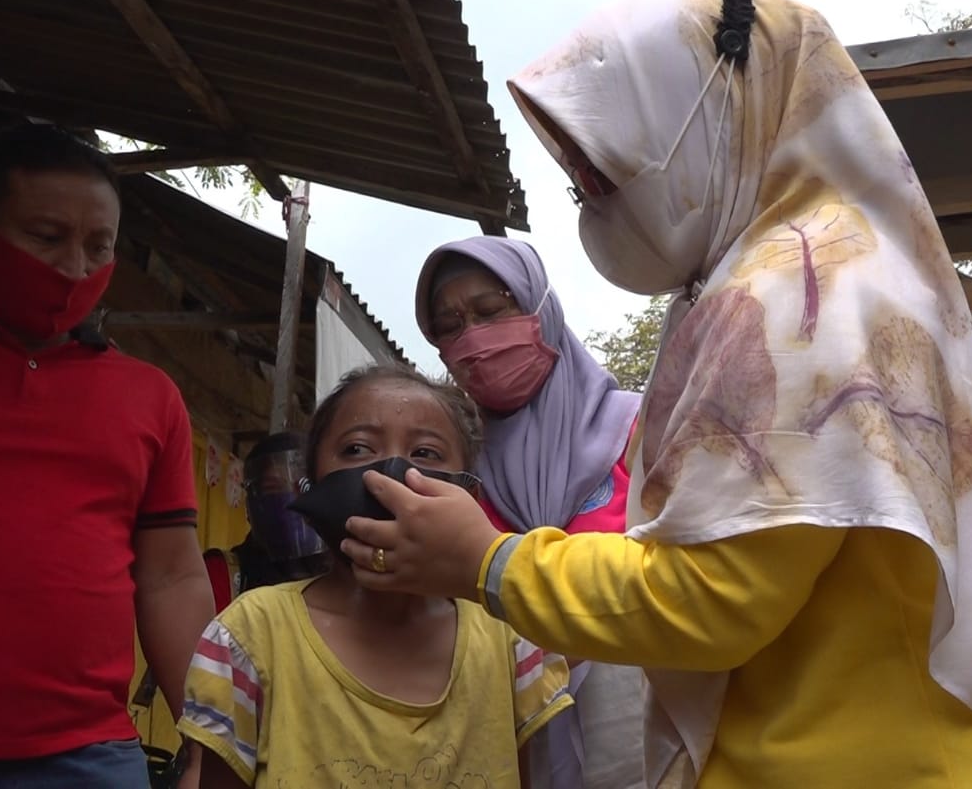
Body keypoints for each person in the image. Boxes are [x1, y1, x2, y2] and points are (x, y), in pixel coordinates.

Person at [339, 0, 972, 788]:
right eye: (581, 184)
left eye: (604, 175)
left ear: (695, 124)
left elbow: (710, 599)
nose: (592, 207)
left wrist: (488, 560)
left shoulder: (800, 292)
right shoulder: (822, 269)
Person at [0, 123, 214, 787]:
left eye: (98, 246)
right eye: (47, 237)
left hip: (87, 757)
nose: (75, 268)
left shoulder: (150, 396)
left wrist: (206, 740)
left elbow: (171, 577)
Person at [178, 364, 573, 789]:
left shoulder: (510, 641)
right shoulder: (250, 637)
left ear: (468, 494)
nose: (391, 470)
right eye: (357, 448)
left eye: (425, 453)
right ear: (309, 486)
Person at [415, 237, 645, 789]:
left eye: (491, 310)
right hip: (511, 743)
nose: (473, 338)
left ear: (542, 309)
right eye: (449, 326)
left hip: (649, 733)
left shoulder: (645, 433)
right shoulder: (455, 475)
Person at [205, 431, 329, 611]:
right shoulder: (223, 574)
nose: (292, 497)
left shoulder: (347, 578)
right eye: (274, 487)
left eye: (303, 486)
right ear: (253, 503)